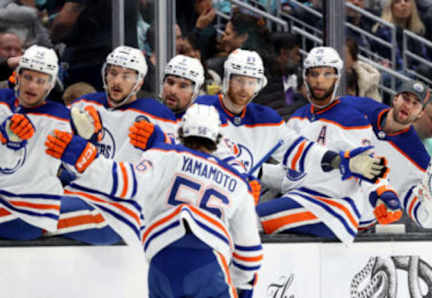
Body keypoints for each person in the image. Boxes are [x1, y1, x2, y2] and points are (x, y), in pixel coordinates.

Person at [45, 104, 263, 298]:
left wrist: (85, 157)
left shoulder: (164, 154)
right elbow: (249, 254)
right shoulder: (238, 182)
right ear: (216, 139)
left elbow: (125, 182)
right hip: (208, 262)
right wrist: (241, 284)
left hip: (162, 262)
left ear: (181, 132)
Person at [194, 49, 388, 196]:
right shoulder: (203, 107)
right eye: (239, 80)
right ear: (227, 79)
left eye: (251, 81)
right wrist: (240, 176)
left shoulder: (267, 119)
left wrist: (340, 161)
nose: (245, 88)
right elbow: (206, 151)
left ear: (259, 85)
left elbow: (299, 150)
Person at [256, 47, 399, 243]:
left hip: (333, 209)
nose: (319, 80)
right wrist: (254, 170)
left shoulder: (351, 119)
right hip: (300, 202)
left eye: (327, 74)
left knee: (252, 220)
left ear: (337, 78)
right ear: (305, 77)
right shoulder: (296, 120)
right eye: (314, 74)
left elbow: (369, 166)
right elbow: (288, 176)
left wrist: (383, 193)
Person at [53, 46, 176, 244]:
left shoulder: (158, 115)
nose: (117, 81)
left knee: (35, 214)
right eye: (113, 73)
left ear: (139, 82)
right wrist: (74, 130)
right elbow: (51, 139)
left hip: (117, 210)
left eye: (127, 76)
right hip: (78, 193)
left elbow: (175, 162)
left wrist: (158, 140)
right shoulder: (86, 105)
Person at [342, 80, 432, 229]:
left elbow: (423, 216)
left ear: (421, 113)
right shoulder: (356, 107)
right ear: (395, 99)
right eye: (406, 99)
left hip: (355, 226)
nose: (408, 105)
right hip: (318, 199)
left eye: (415, 104)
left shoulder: (418, 158)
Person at [0, 45, 70, 240]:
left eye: (41, 81)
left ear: (50, 85)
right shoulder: (3, 101)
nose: (32, 86)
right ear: (17, 77)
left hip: (27, 212)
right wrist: (5, 64)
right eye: (28, 77)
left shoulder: (61, 118)